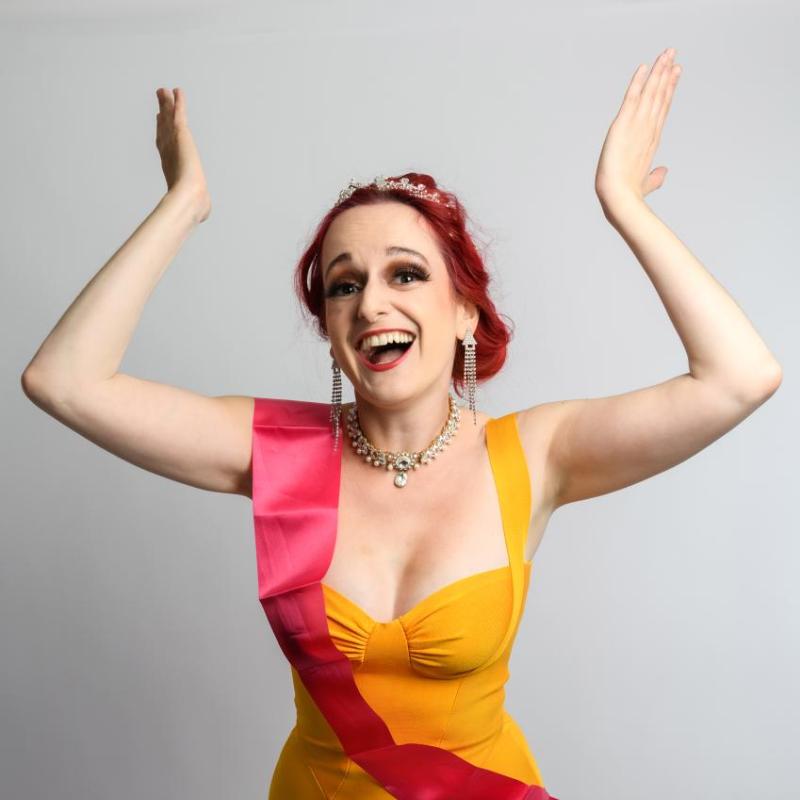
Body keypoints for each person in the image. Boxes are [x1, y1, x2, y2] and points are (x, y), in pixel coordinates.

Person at [20, 46, 782, 799]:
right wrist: (182, 205)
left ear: (463, 311)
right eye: (343, 285)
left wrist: (625, 204)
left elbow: (740, 376)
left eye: (406, 273)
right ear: (331, 324)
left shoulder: (538, 454)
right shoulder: (274, 450)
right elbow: (64, 380)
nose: (371, 303)